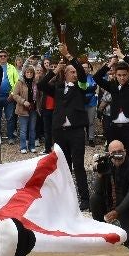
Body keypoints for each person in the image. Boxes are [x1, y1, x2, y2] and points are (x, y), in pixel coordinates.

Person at [44, 44, 90, 207]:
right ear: (65, 74)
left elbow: (83, 74)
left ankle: (85, 199)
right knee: (62, 166)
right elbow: (42, 84)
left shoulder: (81, 87)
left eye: (75, 71)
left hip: (76, 131)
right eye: (71, 71)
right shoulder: (57, 88)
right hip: (59, 131)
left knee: (78, 165)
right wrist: (55, 70)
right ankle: (63, 197)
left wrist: (68, 55)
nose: (74, 73)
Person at [90, 139, 129, 246]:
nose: (118, 155)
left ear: (125, 152)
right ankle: (100, 226)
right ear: (109, 154)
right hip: (110, 204)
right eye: (114, 153)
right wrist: (100, 175)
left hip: (128, 209)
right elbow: (97, 190)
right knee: (94, 198)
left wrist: (117, 211)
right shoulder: (106, 165)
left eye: (120, 151)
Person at [94, 49, 129, 163]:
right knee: (115, 158)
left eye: (124, 75)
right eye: (119, 75)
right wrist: (110, 64)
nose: (122, 78)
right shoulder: (112, 85)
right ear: (115, 75)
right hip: (115, 128)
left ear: (128, 74)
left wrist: (122, 56)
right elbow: (96, 77)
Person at [10, 64, 40, 153]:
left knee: (32, 128)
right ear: (24, 73)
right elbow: (15, 95)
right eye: (27, 72)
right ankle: (23, 147)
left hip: (33, 108)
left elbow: (38, 95)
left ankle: (32, 146)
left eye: (31, 72)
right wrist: (23, 101)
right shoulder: (20, 82)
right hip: (23, 108)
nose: (29, 74)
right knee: (23, 129)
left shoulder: (35, 83)